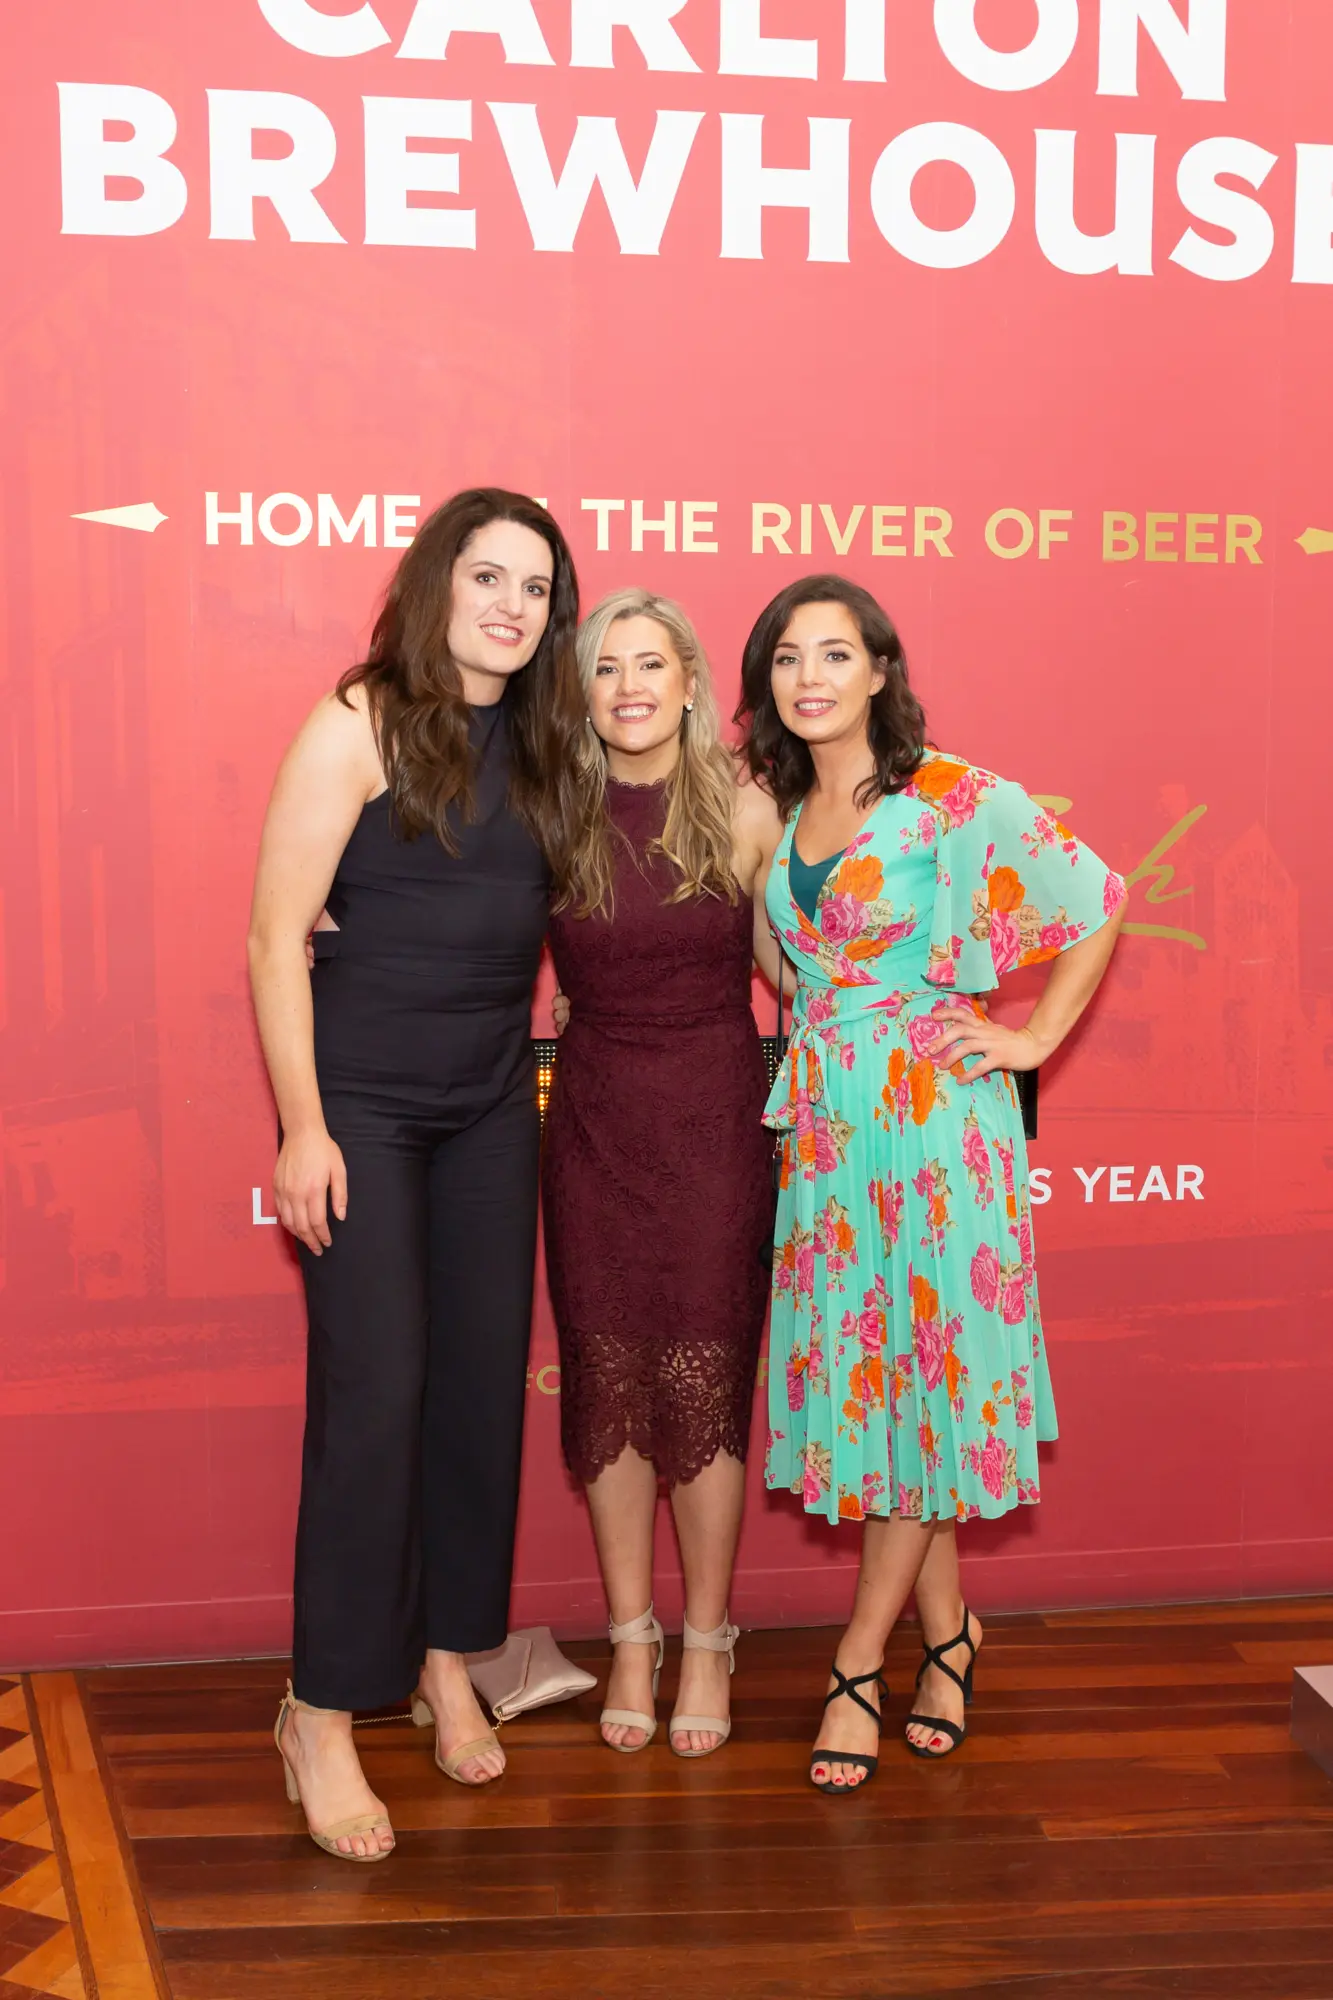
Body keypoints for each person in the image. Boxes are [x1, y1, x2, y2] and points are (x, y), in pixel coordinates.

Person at [737, 574, 1125, 1794]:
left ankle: (858, 1659)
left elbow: (1097, 899)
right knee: (898, 1389)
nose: (809, 676)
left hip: (935, 1132)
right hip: (834, 1138)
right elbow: (790, 968)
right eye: (787, 656)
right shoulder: (781, 808)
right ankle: (948, 1635)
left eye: (833, 653)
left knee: (920, 1380)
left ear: (878, 671)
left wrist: (1031, 1037)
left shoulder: (947, 793)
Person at [248, 489, 584, 1859]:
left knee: (476, 1397)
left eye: (536, 588)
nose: (511, 606)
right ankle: (323, 1709)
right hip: (365, 1114)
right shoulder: (358, 720)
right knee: (376, 1398)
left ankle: (451, 1658)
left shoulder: (551, 739)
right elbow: (274, 937)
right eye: (488, 576)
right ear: (437, 582)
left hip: (495, 1107)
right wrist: (303, 1126)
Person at [543, 588, 783, 1758]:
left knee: (702, 1379)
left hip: (713, 1125)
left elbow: (799, 971)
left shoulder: (747, 808)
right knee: (608, 1380)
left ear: (690, 680)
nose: (628, 685)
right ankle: (630, 1636)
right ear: (580, 693)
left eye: (650, 662)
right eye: (604, 667)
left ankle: (706, 1640)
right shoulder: (552, 810)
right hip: (592, 1124)